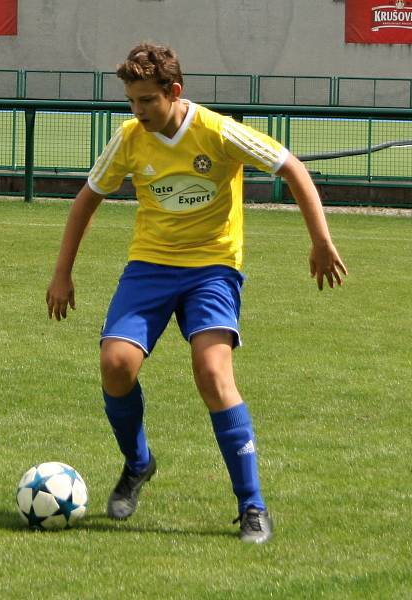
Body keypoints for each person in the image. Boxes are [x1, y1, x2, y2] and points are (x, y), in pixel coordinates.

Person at [46, 42, 347, 544]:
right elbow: (85, 201)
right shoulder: (128, 139)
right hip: (150, 267)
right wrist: (62, 274)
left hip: (212, 269)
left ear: (174, 92)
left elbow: (291, 167)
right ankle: (138, 463)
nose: (137, 111)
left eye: (146, 100)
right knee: (116, 364)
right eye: (131, 101)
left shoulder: (218, 131)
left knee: (212, 372)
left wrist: (321, 241)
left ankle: (252, 506)